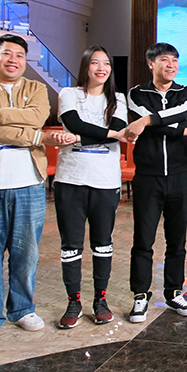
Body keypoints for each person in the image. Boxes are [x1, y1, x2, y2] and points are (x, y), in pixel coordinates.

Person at [0, 34, 77, 347]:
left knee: (27, 254)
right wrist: (36, 137)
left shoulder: (35, 88)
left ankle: (22, 309)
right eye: (6, 54)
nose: (13, 60)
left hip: (29, 183)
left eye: (20, 55)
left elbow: (36, 117)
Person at [124, 43, 187, 323]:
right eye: (164, 60)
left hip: (180, 175)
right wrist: (184, 130)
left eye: (175, 60)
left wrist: (146, 120)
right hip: (148, 177)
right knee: (143, 239)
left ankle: (174, 291)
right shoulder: (136, 94)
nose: (171, 65)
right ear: (151, 63)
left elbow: (182, 113)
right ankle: (140, 295)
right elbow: (174, 123)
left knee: (177, 240)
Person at [54, 46, 128, 329]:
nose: (101, 68)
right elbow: (73, 122)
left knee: (102, 242)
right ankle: (73, 301)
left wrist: (79, 138)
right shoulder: (69, 94)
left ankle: (100, 299)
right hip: (70, 180)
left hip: (105, 181)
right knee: (71, 245)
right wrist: (109, 134)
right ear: (85, 66)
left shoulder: (117, 99)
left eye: (106, 63)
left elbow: (117, 129)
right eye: (95, 63)